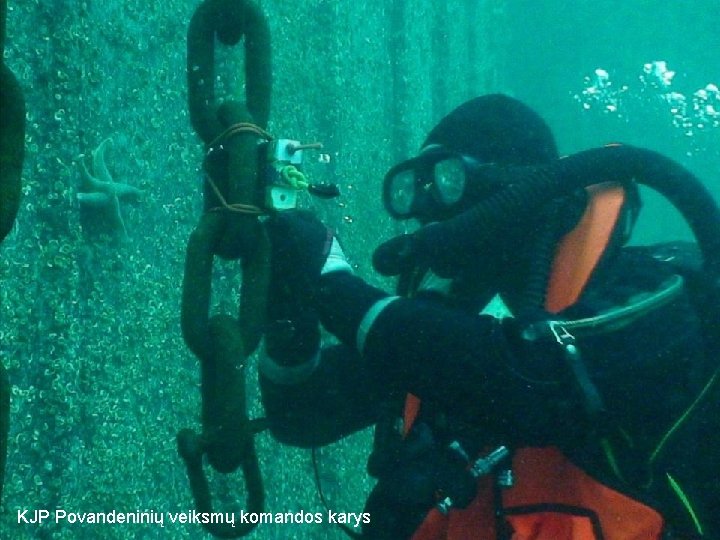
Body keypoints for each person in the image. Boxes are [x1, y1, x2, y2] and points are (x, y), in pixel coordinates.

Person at [258, 94, 720, 539]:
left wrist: (334, 284)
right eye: (412, 188)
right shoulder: (449, 324)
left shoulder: (655, 302)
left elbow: (530, 384)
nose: (428, 209)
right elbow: (305, 416)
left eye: (448, 178)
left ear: (518, 190)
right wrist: (289, 327)